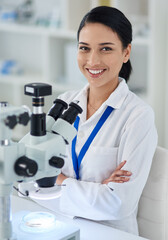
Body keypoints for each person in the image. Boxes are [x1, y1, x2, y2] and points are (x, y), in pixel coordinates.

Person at [44, 6, 158, 235]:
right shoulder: (63, 103)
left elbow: (117, 204)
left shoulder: (138, 116)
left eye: (106, 49)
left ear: (126, 53)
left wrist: (59, 180)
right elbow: (30, 182)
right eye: (84, 48)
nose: (93, 60)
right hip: (57, 228)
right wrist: (98, 189)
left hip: (110, 234)